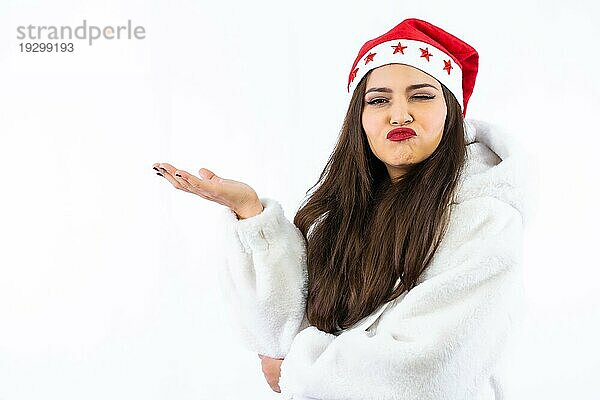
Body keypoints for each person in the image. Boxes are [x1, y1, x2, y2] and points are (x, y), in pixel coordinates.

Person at [152, 18, 535, 400]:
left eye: (421, 96)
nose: (399, 114)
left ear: (452, 111)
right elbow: (279, 332)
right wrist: (251, 214)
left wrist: (298, 368)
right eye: (379, 100)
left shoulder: (486, 220)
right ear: (360, 118)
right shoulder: (338, 215)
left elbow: (424, 370)